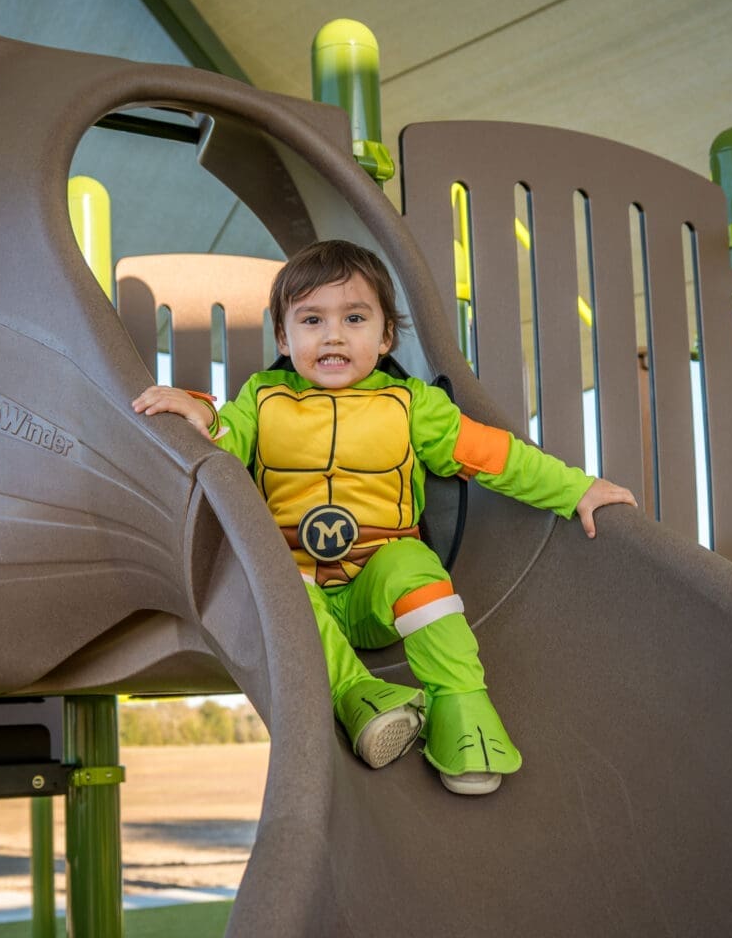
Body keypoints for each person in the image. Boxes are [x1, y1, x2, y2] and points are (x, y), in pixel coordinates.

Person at [132, 240, 635, 795]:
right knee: (274, 581)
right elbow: (223, 439)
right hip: (298, 589)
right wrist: (199, 409)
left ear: (385, 336)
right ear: (284, 337)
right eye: (311, 319)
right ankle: (360, 699)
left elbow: (498, 456)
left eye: (354, 317)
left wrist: (576, 489)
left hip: (377, 587)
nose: (333, 335)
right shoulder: (263, 397)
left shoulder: (412, 403)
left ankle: (463, 715)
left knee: (414, 566)